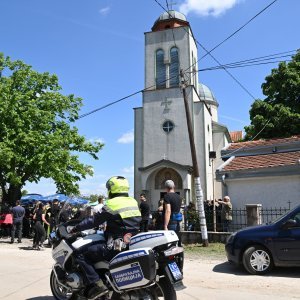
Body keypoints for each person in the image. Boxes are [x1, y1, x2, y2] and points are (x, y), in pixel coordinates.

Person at [71, 176, 142, 299]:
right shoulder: (133, 201)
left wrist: (76, 228)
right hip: (131, 243)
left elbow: (94, 221)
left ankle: (98, 285)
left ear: (111, 189)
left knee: (80, 254)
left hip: (116, 246)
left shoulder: (112, 203)